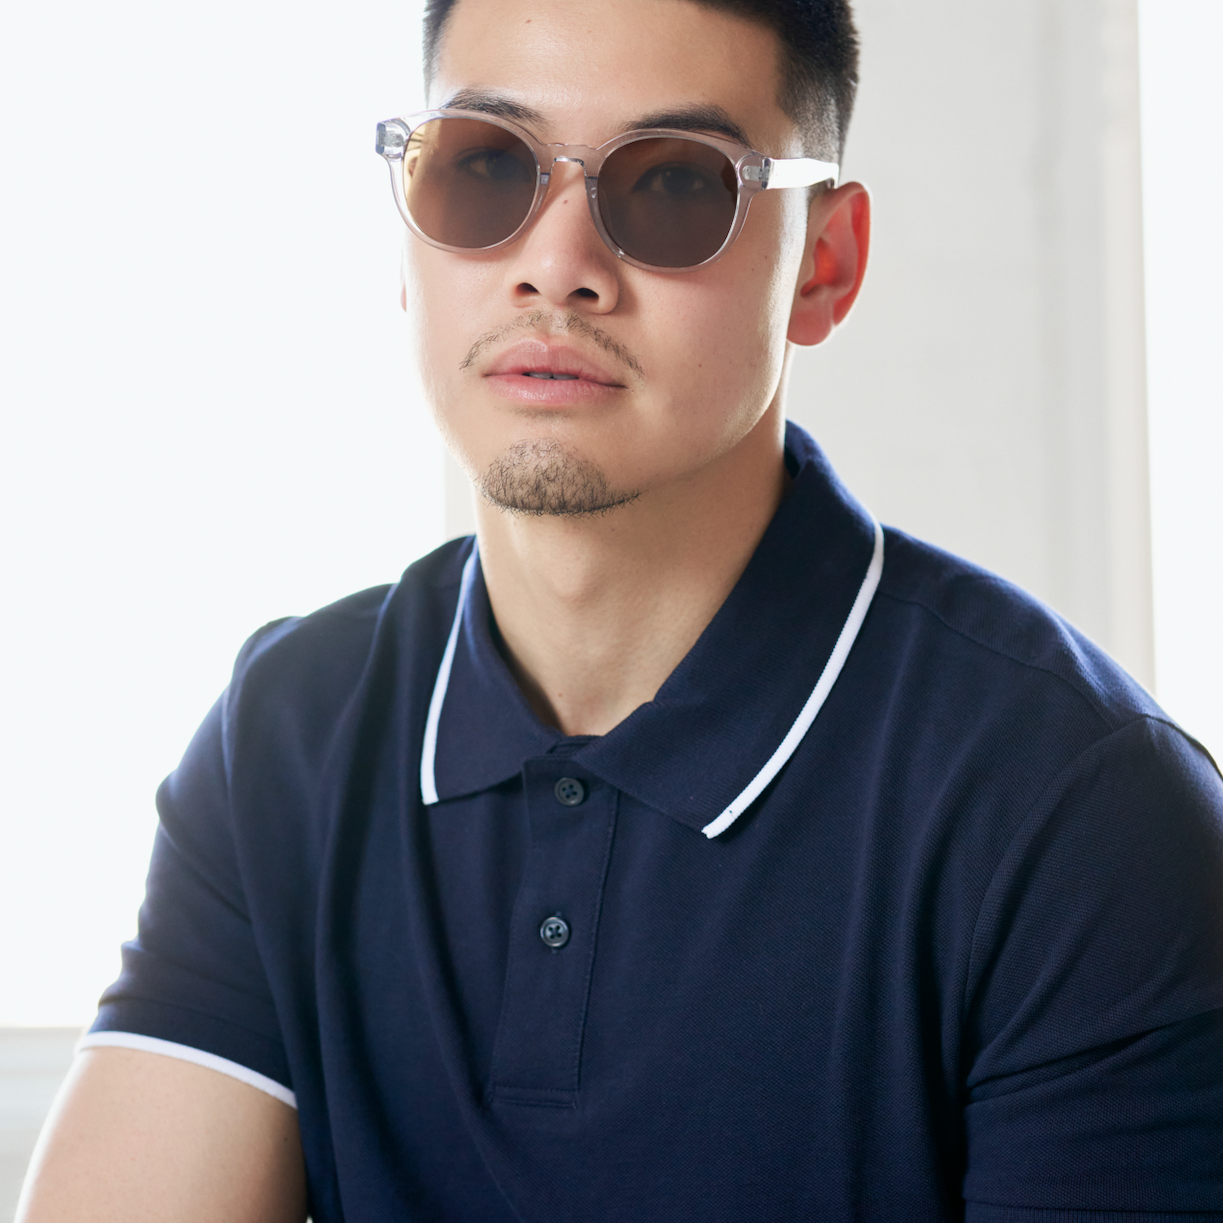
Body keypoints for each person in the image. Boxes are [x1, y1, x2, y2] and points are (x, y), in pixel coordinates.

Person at [18, 0, 1223, 1219]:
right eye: (484, 167)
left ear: (822, 259)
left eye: (671, 187)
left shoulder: (1081, 814)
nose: (554, 264)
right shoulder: (287, 737)